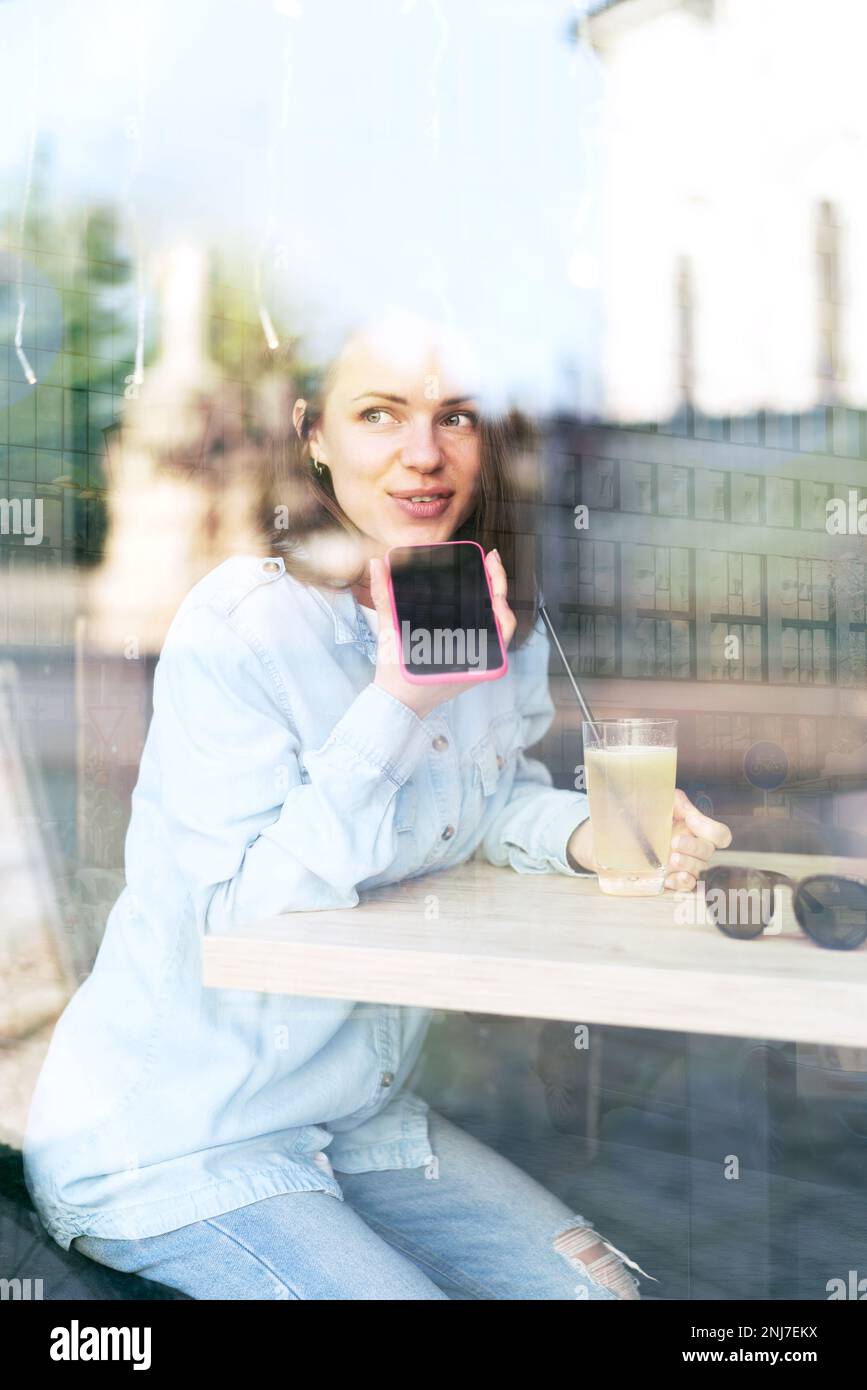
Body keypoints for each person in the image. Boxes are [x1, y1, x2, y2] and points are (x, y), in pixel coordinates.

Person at [23, 309, 731, 1299]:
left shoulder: (484, 620)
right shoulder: (244, 627)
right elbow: (240, 917)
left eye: (456, 417)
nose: (422, 454)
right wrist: (398, 701)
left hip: (363, 1127)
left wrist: (590, 832)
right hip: (180, 1145)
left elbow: (484, 804)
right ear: (315, 433)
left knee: (602, 1291)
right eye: (380, 414)